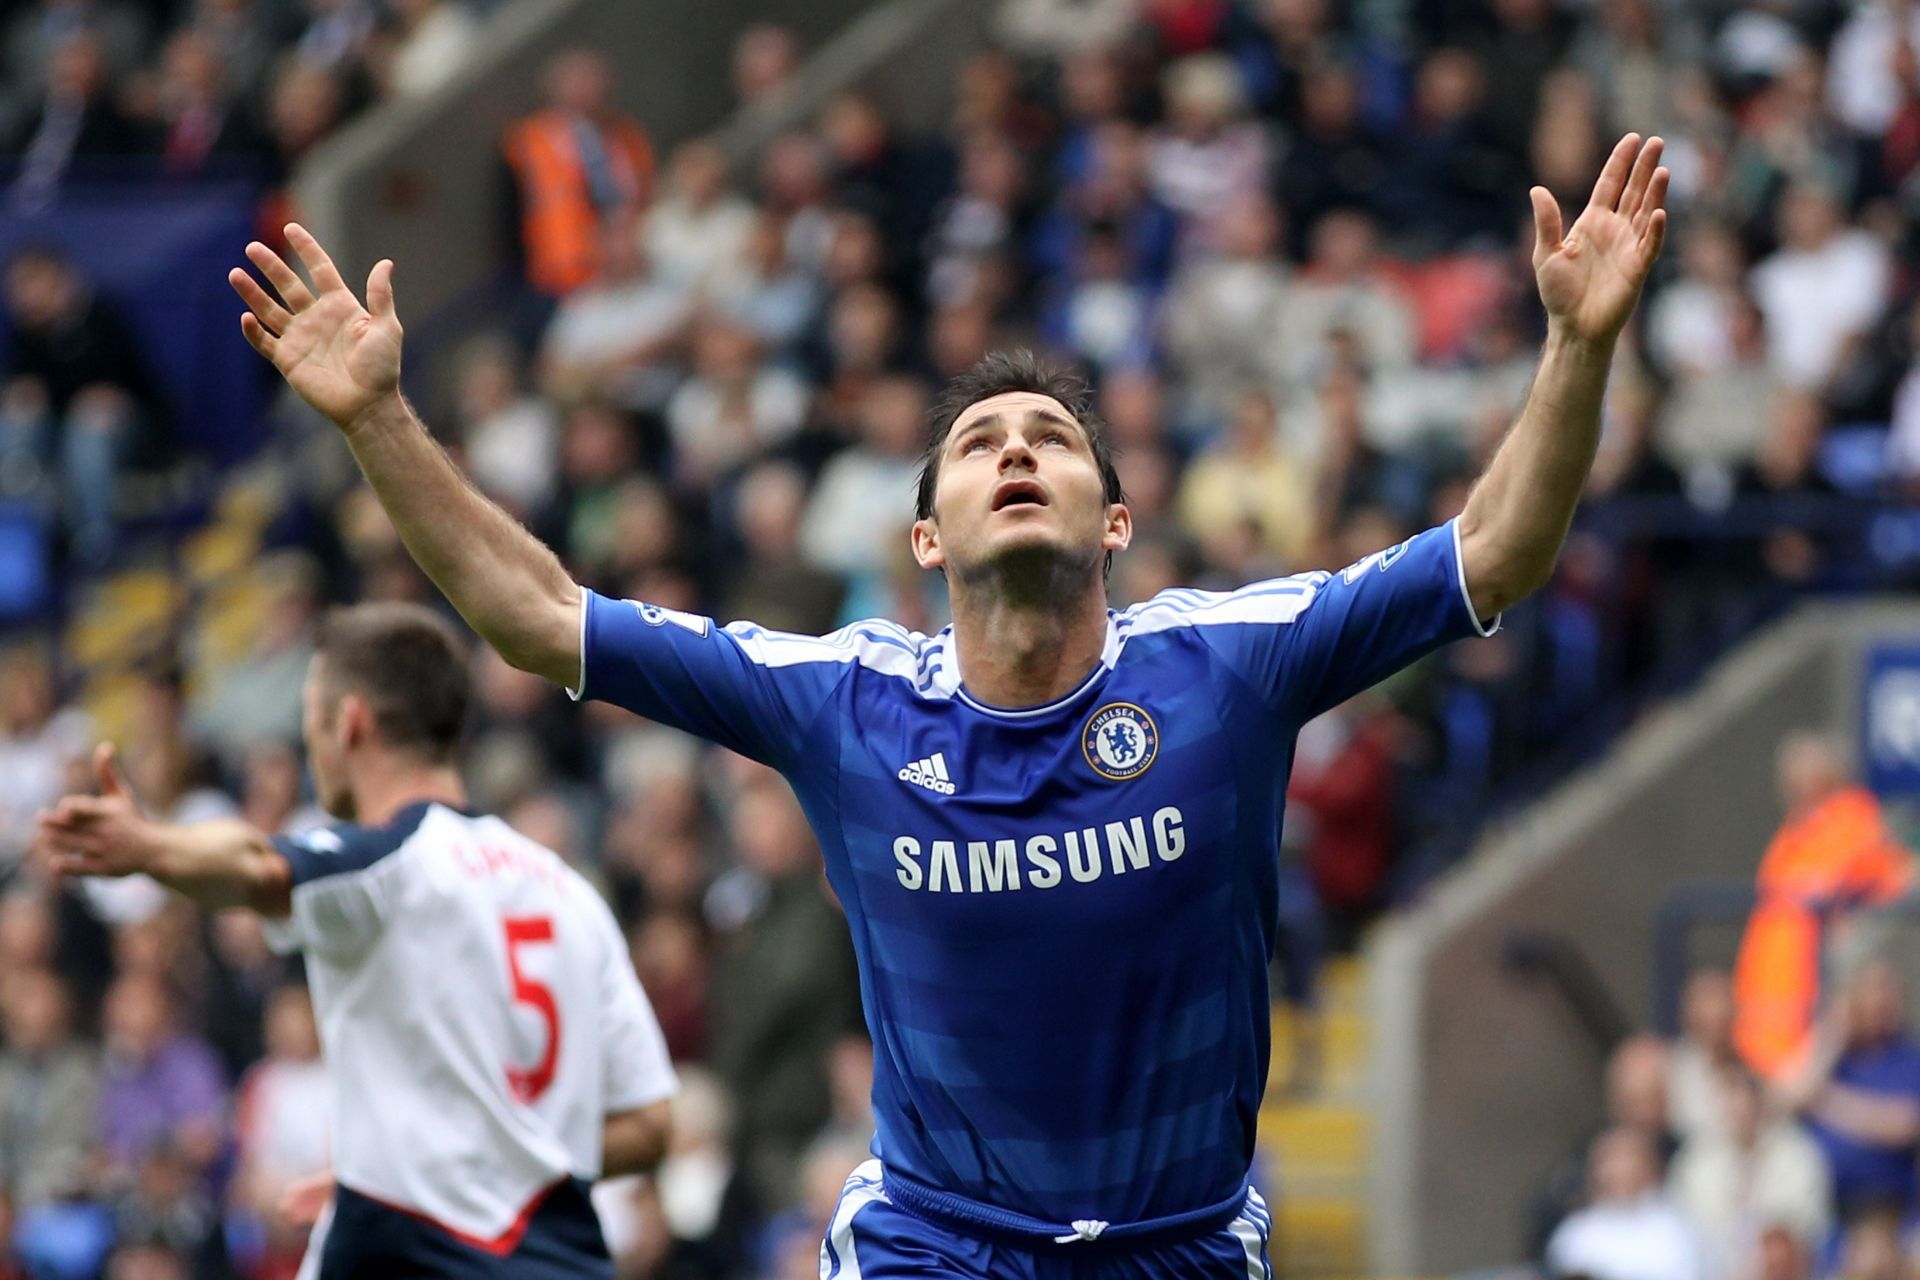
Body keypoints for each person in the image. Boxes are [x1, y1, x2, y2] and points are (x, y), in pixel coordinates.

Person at [222, 130, 1669, 1277]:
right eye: (980, 444)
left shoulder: (1233, 664)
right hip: (937, 1246)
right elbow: (537, 623)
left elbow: (1498, 556)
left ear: (1115, 521)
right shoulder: (840, 702)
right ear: (927, 539)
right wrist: (375, 419)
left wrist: (1580, 344)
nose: (1020, 451)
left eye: (1055, 438)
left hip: (1181, 1248)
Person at [37, 603, 677, 1278]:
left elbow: (257, 864)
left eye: (310, 718)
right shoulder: (571, 894)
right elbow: (649, 1126)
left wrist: (152, 846)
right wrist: (448, 1161)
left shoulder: (383, 865)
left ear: (348, 724)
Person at [1733, 733, 1913, 1079]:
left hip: (1815, 1011)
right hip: (1766, 1007)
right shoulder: (1788, 837)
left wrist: (1855, 939)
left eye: (1801, 773)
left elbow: (1902, 881)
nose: (1790, 783)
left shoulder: (1855, 822)